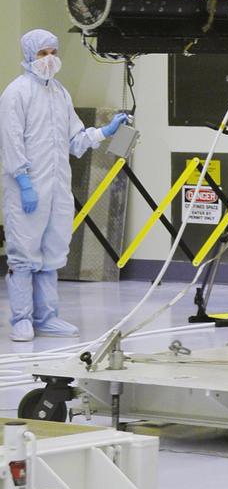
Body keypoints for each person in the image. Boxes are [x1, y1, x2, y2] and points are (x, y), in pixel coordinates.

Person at [0, 30, 129, 341]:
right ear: (30, 54)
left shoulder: (60, 93)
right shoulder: (15, 94)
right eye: (43, 53)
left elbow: (75, 141)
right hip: (26, 189)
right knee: (23, 255)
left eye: (53, 52)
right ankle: (21, 319)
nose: (50, 59)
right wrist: (23, 181)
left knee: (52, 252)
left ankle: (47, 318)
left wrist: (106, 131)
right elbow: (10, 143)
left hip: (58, 188)